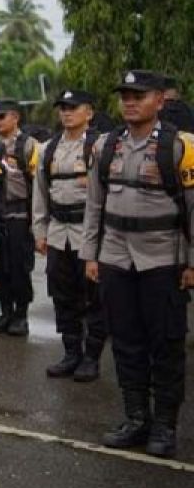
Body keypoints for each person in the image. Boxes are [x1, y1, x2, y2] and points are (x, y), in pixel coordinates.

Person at [81, 69, 194, 459]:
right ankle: (135, 417)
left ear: (160, 101)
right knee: (126, 342)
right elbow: (94, 205)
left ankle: (164, 425)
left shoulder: (181, 147)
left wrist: (191, 263)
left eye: (139, 95)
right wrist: (90, 255)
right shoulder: (105, 146)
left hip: (163, 259)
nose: (130, 101)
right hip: (115, 256)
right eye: (125, 95)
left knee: (165, 344)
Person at [32, 89, 104, 382]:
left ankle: (91, 357)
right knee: (62, 295)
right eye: (63, 107)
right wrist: (40, 230)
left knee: (94, 297)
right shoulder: (48, 149)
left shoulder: (99, 147)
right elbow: (40, 192)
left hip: (88, 232)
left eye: (74, 107)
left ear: (89, 112)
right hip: (58, 231)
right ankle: (71, 352)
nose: (67, 112)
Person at [0, 99, 40, 337]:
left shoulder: (28, 145)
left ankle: (21, 314)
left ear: (15, 117)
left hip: (19, 214)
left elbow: (40, 185)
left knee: (19, 267)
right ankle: (5, 311)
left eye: (2, 116)